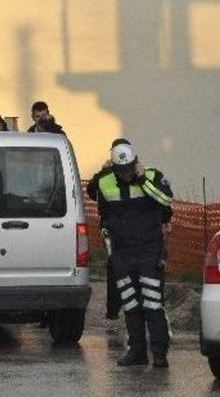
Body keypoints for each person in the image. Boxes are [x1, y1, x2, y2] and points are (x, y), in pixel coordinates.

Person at [93, 142, 173, 368]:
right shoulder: (105, 181)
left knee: (152, 303)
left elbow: (166, 201)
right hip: (122, 253)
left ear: (135, 163)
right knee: (130, 304)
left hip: (149, 251)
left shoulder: (153, 176)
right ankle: (137, 351)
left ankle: (159, 354)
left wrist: (142, 179)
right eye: (121, 171)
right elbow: (98, 201)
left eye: (129, 170)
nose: (126, 175)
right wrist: (103, 170)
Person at [86, 138, 133, 321]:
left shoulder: (108, 175)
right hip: (118, 228)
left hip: (113, 227)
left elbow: (91, 191)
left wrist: (103, 171)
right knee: (117, 266)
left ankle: (115, 309)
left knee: (116, 267)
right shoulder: (128, 173)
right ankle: (117, 307)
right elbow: (92, 191)